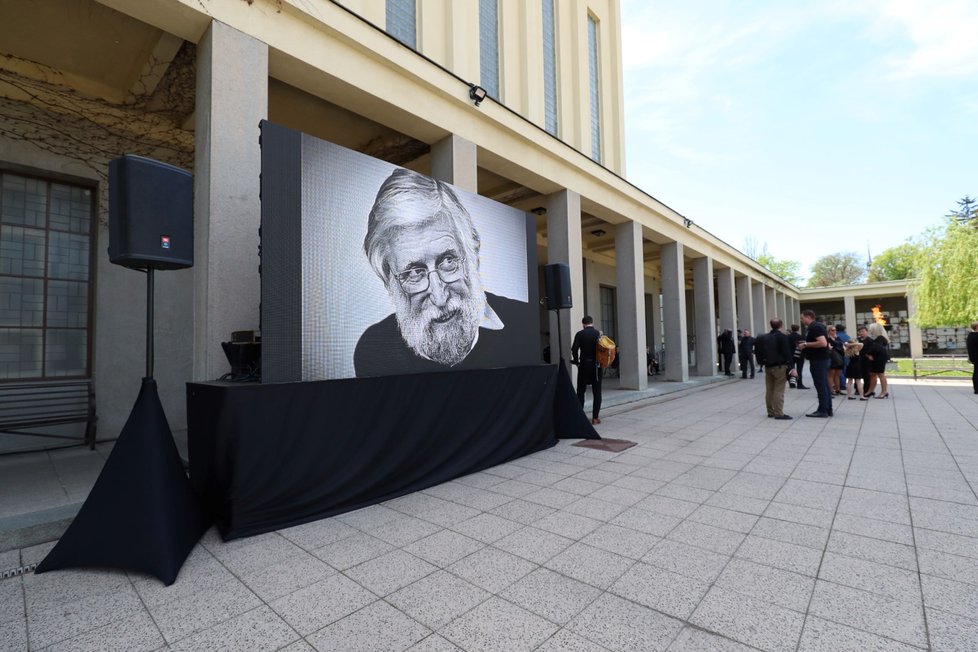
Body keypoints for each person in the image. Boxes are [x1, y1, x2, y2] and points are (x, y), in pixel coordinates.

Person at [354, 169, 526, 377]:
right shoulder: (374, 349)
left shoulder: (522, 322)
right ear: (388, 280)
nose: (440, 296)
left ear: (472, 254)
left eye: (448, 261)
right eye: (414, 273)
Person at [754, 318, 794, 420]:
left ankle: (770, 411)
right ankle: (779, 413)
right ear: (781, 325)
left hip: (768, 366)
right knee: (779, 390)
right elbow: (787, 352)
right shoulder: (782, 337)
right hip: (780, 366)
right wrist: (792, 367)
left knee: (769, 390)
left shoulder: (765, 337)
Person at [798, 309, 832, 417]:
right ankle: (827, 409)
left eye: (802, 318)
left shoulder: (814, 327)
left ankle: (822, 410)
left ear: (808, 317)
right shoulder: (818, 326)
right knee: (825, 385)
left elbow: (822, 343)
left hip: (818, 360)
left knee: (820, 385)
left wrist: (806, 344)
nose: (801, 320)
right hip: (821, 359)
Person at [571, 316, 603, 425]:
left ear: (583, 324)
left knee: (581, 390)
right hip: (597, 366)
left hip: (584, 364)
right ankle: (595, 418)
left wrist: (576, 361)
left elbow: (574, 349)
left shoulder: (580, 334)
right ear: (592, 323)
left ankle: (580, 418)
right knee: (597, 391)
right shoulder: (598, 334)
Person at [864, 322, 891, 399]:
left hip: (879, 358)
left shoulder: (880, 338)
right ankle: (870, 391)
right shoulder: (880, 337)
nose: (870, 331)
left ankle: (884, 392)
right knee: (872, 374)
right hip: (877, 357)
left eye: (871, 329)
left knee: (880, 374)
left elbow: (875, 348)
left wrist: (868, 353)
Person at [787, 324, 809, 389]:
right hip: (799, 356)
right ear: (798, 329)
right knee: (799, 370)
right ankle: (800, 384)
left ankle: (792, 383)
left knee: (791, 369)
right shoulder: (801, 337)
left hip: (790, 355)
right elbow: (804, 346)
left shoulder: (788, 337)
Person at [826, 325, 845, 395]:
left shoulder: (837, 338)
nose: (834, 331)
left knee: (838, 374)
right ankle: (831, 390)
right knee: (831, 374)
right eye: (832, 330)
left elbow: (842, 345)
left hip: (839, 357)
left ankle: (838, 389)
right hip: (832, 358)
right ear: (829, 331)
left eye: (835, 330)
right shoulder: (827, 339)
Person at [835, 324, 851, 388]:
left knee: (839, 370)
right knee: (844, 369)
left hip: (839, 355)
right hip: (847, 355)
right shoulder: (847, 336)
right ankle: (844, 383)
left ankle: (842, 384)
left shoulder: (836, 336)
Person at [968, 321, 978, 394]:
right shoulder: (976, 336)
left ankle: (976, 388)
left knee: (976, 372)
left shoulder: (970, 335)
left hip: (974, 357)